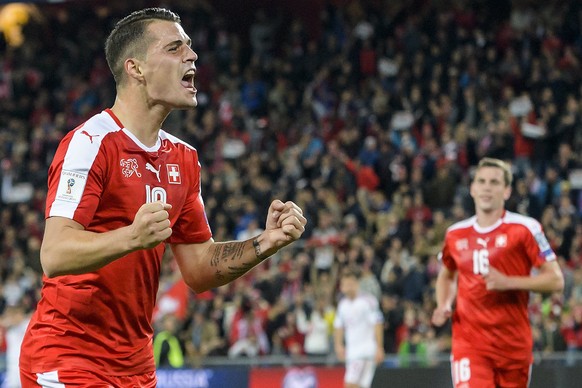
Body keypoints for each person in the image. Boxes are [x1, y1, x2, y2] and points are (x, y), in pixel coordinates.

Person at [19, 8, 306, 388]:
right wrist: (132, 237)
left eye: (189, 46)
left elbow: (199, 269)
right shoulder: (90, 143)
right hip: (69, 357)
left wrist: (265, 242)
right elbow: (53, 255)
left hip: (137, 368)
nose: (192, 56)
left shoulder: (183, 158)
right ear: (136, 69)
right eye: (175, 47)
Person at [431, 157, 564, 388]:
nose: (486, 187)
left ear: (506, 191)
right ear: (472, 189)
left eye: (494, 182)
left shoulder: (525, 229)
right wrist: (443, 303)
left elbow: (556, 280)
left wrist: (508, 282)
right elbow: (447, 274)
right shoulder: (455, 234)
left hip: (513, 346)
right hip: (470, 344)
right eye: (481, 181)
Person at [333, 267, 384, 388]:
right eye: (345, 284)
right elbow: (339, 326)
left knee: (349, 384)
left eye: (351, 283)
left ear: (356, 284)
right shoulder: (342, 305)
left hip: (364, 353)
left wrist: (379, 347)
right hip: (352, 353)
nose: (348, 287)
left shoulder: (368, 301)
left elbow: (377, 323)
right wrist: (338, 345)